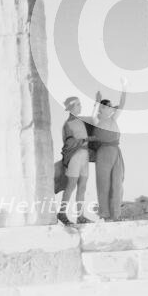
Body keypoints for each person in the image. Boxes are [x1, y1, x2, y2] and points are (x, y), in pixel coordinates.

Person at [93, 78, 127, 222]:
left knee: (117, 183)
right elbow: (93, 115)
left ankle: (116, 214)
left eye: (111, 106)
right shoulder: (98, 121)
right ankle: (106, 215)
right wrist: (97, 102)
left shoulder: (113, 119)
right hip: (104, 153)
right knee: (104, 184)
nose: (111, 108)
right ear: (102, 108)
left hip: (115, 151)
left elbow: (123, 104)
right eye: (108, 106)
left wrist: (124, 87)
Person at [58, 96, 93, 226]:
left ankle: (80, 216)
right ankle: (61, 213)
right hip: (75, 156)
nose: (81, 107)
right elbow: (69, 142)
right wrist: (84, 140)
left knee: (82, 186)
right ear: (72, 107)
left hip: (84, 156)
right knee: (71, 185)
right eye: (78, 105)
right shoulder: (68, 124)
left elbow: (92, 121)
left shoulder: (80, 121)